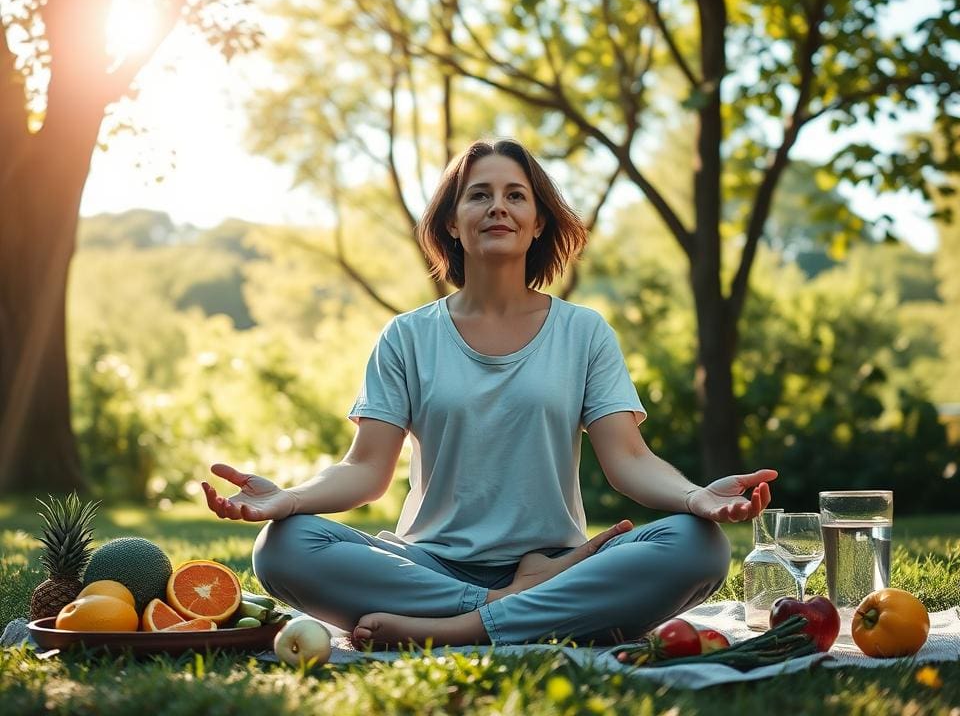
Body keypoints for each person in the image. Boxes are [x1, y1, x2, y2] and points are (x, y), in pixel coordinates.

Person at [202, 138, 776, 649]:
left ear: (538, 221)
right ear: (453, 222)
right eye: (479, 195)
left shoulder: (584, 333)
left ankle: (462, 628)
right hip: (425, 564)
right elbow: (365, 470)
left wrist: (696, 497)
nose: (497, 206)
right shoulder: (407, 336)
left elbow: (628, 460)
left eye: (515, 196)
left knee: (698, 546)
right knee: (283, 547)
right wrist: (290, 500)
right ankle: (512, 612)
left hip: (557, 563)